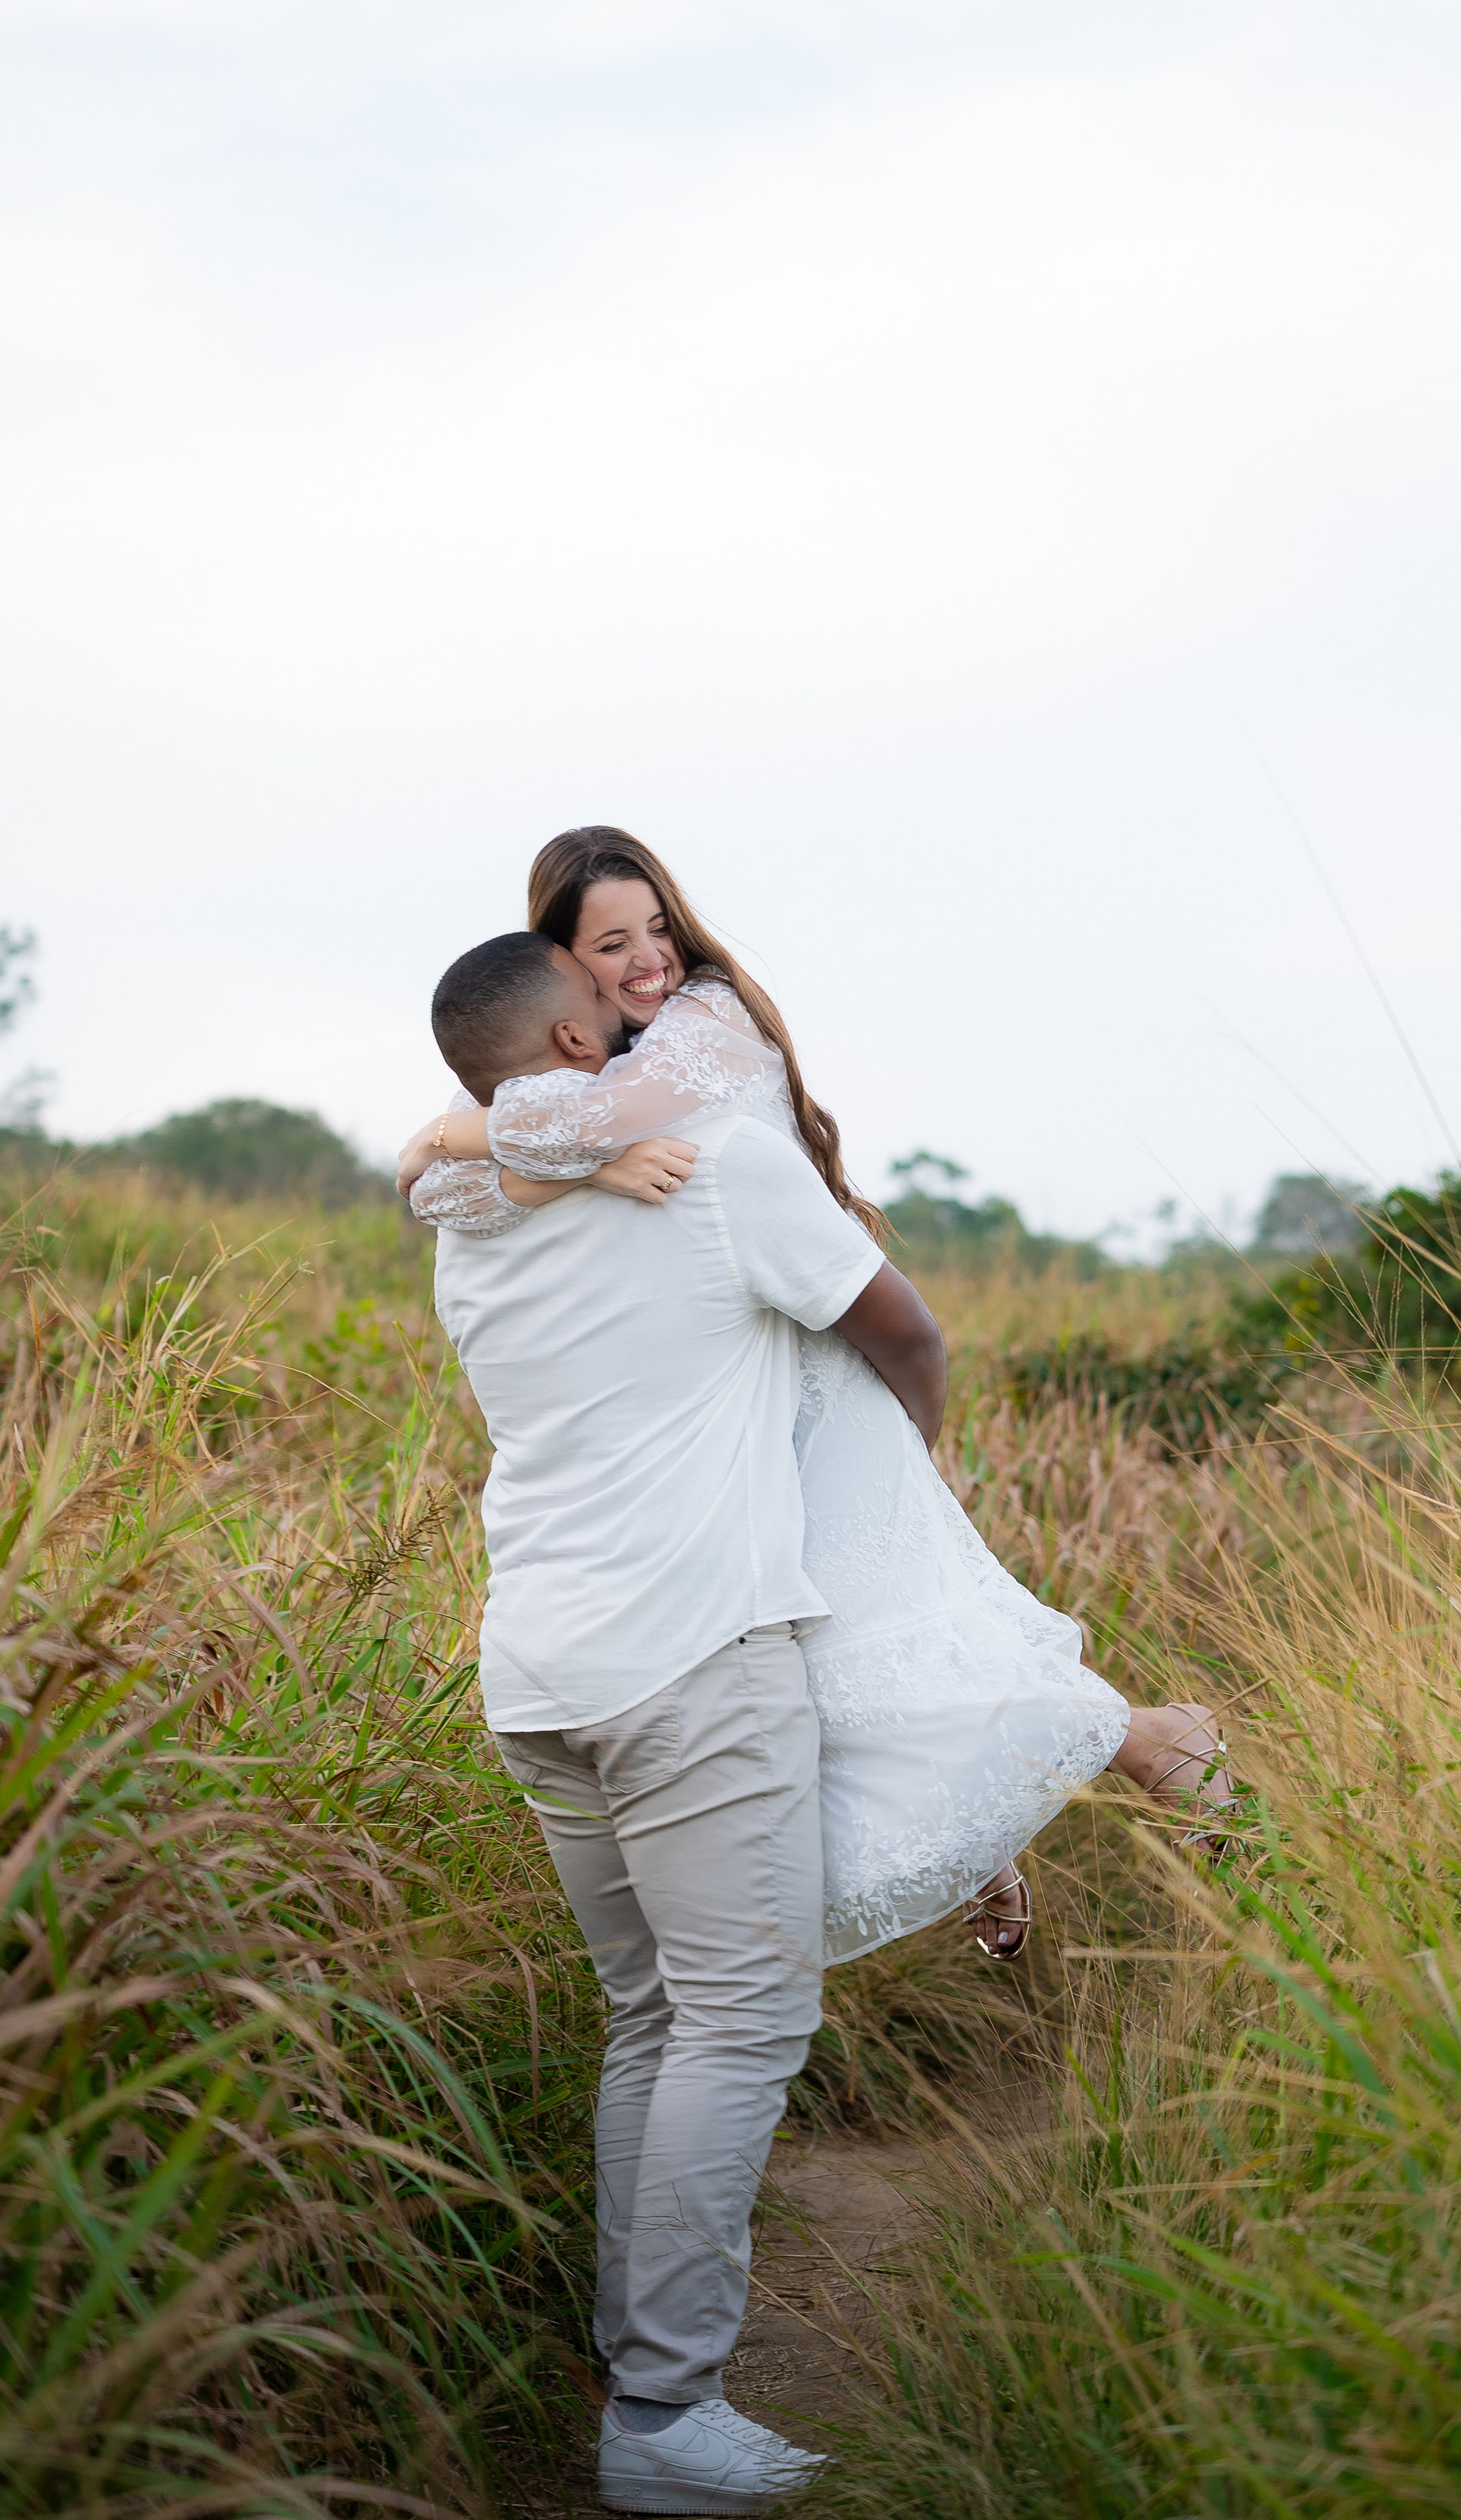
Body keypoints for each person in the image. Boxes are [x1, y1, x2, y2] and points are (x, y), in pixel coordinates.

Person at [403, 830, 1231, 1973]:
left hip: (812, 1365)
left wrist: (459, 1128)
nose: (649, 960)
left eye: (659, 927)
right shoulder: (586, 1070)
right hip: (728, 1382)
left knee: (863, 1645)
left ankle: (1154, 1741)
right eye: (612, 944)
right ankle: (990, 1835)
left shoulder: (702, 1024)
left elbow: (481, 1153)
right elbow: (443, 1190)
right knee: (828, 1680)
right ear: (565, 973)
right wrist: (528, 1155)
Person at [428, 926, 955, 2511]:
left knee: (655, 2017)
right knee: (741, 2021)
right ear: (580, 1055)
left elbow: (492, 1163)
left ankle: (632, 2376)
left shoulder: (464, 1218)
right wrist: (897, 1509)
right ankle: (662, 2417)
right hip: (694, 1664)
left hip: (540, 1673)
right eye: (618, 1009)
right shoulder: (720, 1164)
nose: (653, 1022)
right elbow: (907, 1332)